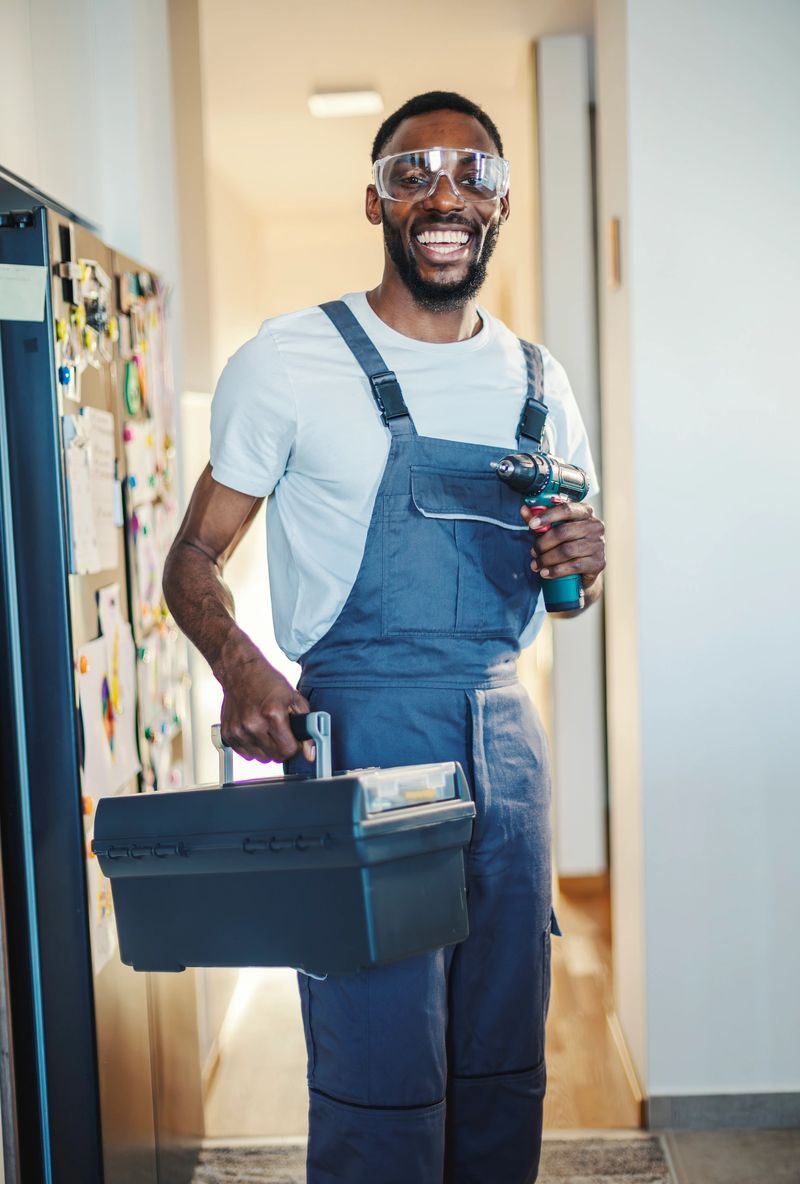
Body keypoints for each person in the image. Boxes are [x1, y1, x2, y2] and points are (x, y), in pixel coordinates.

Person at [164, 89, 605, 1184]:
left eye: (472, 173)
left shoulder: (539, 381)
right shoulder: (290, 360)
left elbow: (566, 586)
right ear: (375, 200)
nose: (443, 194)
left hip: (505, 736)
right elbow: (188, 560)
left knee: (504, 1050)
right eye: (413, 173)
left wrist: (583, 566)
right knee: (377, 1047)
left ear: (500, 204)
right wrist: (240, 661)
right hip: (362, 736)